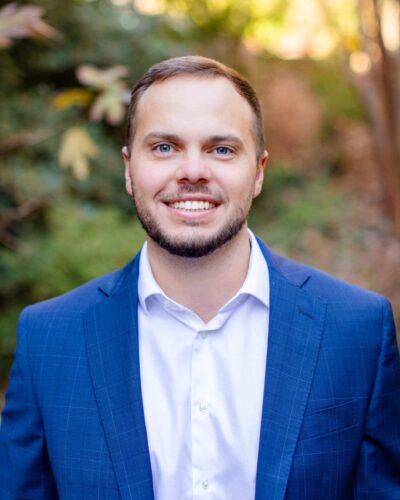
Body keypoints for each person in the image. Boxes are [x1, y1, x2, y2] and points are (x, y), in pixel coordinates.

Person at [0, 56, 399, 500]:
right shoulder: (50, 340)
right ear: (129, 170)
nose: (192, 171)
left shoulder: (358, 330)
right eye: (165, 147)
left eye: (222, 149)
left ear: (259, 172)